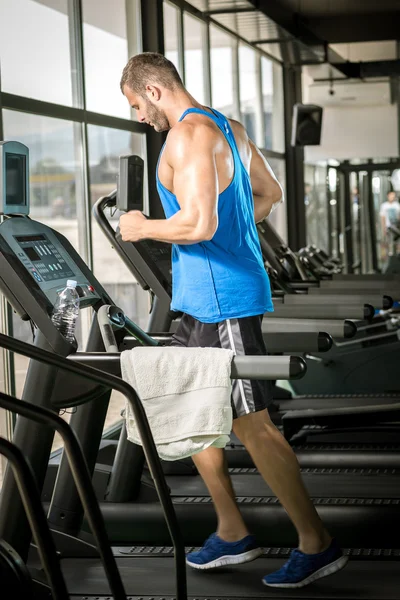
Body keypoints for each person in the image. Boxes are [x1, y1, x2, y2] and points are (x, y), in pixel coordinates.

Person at [118, 52, 348, 588]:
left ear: (153, 91)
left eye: (135, 104)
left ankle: (318, 543)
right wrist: (231, 234)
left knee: (254, 426)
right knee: (190, 401)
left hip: (221, 301)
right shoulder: (230, 129)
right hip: (204, 296)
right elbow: (268, 195)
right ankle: (230, 529)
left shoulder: (190, 135)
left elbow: (197, 223)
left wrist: (141, 227)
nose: (136, 117)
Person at [380, 190, 400, 256]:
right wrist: (383, 227)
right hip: (388, 226)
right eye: (391, 196)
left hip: (396, 226)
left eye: (393, 196)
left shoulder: (397, 205)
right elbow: (383, 217)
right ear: (388, 196)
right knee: (389, 240)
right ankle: (390, 253)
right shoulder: (384, 205)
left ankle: (398, 252)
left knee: (397, 240)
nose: (392, 197)